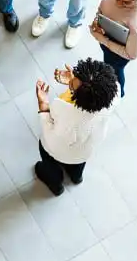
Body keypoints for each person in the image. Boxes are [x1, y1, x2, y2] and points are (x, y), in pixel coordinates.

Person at [34, 58, 119, 196]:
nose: (70, 84)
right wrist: (76, 81)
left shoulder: (64, 109)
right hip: (86, 150)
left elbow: (50, 135)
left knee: (46, 152)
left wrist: (43, 104)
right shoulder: (112, 95)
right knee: (79, 161)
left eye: (72, 87)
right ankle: (76, 176)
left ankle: (55, 184)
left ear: (80, 98)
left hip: (59, 150)